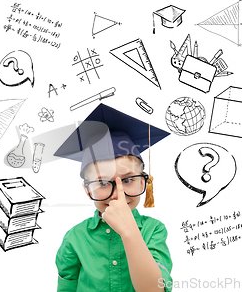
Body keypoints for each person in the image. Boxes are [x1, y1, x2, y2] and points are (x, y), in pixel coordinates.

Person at [55, 104, 173, 292]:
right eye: (102, 183)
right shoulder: (75, 238)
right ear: (88, 190)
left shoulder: (154, 231)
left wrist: (129, 232)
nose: (118, 194)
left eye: (127, 180)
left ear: (143, 183)